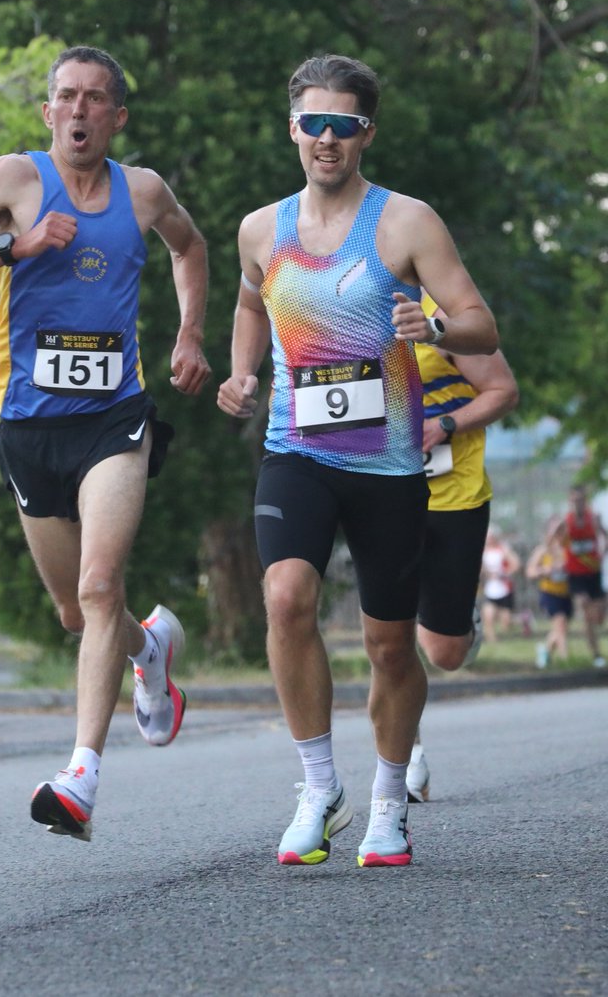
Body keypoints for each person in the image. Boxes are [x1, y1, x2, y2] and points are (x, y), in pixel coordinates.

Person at [0, 45, 211, 842]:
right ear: (48, 113)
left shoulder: (142, 192)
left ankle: (81, 775)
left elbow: (191, 246)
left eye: (95, 99)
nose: (78, 111)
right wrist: (15, 247)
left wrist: (189, 335)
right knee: (76, 612)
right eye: (65, 97)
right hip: (30, 424)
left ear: (117, 118)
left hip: (115, 418)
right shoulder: (10, 180)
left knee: (102, 586)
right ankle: (151, 651)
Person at [216, 53, 498, 868]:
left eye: (344, 125)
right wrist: (242, 372)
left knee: (387, 644)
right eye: (314, 124)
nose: (327, 140)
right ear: (293, 128)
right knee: (286, 593)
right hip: (297, 450)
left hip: (389, 465)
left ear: (366, 133)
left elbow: (481, 323)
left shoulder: (407, 223)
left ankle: (385, 803)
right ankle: (317, 785)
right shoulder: (261, 229)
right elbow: (247, 299)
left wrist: (435, 330)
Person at [405, 293, 519, 802]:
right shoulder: (336, 308)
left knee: (445, 652)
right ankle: (406, 752)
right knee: (388, 627)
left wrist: (444, 423)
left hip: (454, 493)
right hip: (379, 488)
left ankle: (460, 616)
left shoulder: (439, 312)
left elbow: (502, 391)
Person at [558, 484, 606, 667]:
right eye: (574, 500)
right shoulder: (566, 521)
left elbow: (604, 536)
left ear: (585, 501)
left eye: (581, 500)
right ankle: (596, 654)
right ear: (570, 501)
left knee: (599, 616)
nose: (578, 503)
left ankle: (593, 626)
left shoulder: (593, 519)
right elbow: (554, 540)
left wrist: (602, 555)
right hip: (576, 574)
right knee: (585, 608)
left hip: (593, 572)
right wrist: (560, 555)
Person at [526, 516, 573, 668]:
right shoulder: (543, 550)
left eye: (562, 529)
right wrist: (544, 570)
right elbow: (530, 571)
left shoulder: (569, 549)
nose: (560, 533)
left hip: (566, 592)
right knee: (560, 625)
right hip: (549, 593)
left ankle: (544, 650)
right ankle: (566, 661)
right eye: (556, 530)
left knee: (562, 628)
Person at [479, 525, 522, 646]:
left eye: (491, 537)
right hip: (490, 589)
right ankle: (493, 642)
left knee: (506, 622)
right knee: (488, 616)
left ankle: (523, 620)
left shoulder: (503, 549)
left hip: (504, 589)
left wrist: (504, 574)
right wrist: (486, 574)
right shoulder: (482, 550)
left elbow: (516, 565)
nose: (489, 539)